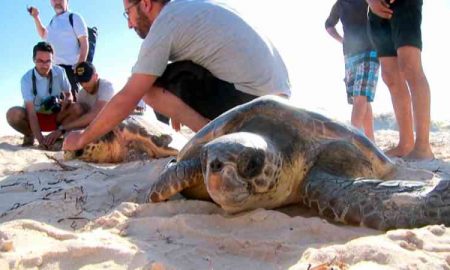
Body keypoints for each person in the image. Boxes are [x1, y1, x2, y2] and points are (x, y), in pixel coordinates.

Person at [63, 0, 291, 151]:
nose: (129, 25)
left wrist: (82, 138)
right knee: (161, 75)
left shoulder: (165, 25)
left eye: (128, 13)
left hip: (254, 103)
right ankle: (213, 132)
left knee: (147, 88)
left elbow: (129, 97)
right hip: (281, 101)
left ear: (145, 4)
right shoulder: (189, 9)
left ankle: (213, 139)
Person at [366, 0, 434, 160]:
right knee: (389, 76)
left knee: (410, 66)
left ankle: (423, 146)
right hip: (375, 10)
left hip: (404, 4)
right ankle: (406, 144)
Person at [6, 42, 81, 148]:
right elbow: (31, 113)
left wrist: (65, 103)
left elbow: (69, 95)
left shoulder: (60, 72)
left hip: (55, 117)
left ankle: (59, 135)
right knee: (12, 114)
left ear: (53, 60)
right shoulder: (26, 79)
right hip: (35, 117)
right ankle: (29, 134)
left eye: (48, 61)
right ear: (33, 60)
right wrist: (41, 141)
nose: (45, 65)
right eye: (40, 61)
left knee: (77, 107)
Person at [325, 0, 380, 141]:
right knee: (361, 98)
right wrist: (342, 40)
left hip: (370, 51)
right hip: (350, 55)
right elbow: (328, 25)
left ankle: (351, 140)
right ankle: (370, 140)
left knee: (360, 96)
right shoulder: (340, 4)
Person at [28, 0, 89, 101]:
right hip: (52, 72)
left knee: (71, 106)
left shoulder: (74, 17)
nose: (57, 2)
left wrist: (80, 64)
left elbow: (84, 42)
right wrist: (36, 17)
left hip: (69, 71)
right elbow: (43, 34)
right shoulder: (52, 22)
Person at [45, 61, 116, 139]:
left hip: (112, 126)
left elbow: (95, 115)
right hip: (92, 127)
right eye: (81, 81)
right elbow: (79, 118)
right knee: (74, 108)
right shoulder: (81, 94)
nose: (84, 84)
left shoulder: (106, 87)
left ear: (96, 76)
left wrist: (63, 129)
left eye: (86, 80)